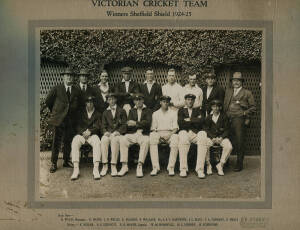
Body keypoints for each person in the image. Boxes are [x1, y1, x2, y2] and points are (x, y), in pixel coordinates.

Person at [45, 67, 81, 173]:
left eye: (71, 75)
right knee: (56, 141)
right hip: (59, 120)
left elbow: (79, 105)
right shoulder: (57, 88)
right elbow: (48, 101)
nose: (69, 77)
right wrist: (57, 112)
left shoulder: (76, 90)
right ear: (63, 77)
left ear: (73, 78)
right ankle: (54, 163)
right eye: (67, 75)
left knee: (68, 140)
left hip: (70, 120)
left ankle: (66, 160)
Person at [223, 72, 256, 171]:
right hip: (228, 119)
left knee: (239, 142)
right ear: (232, 82)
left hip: (239, 120)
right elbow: (225, 104)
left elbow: (253, 108)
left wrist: (244, 114)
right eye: (234, 80)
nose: (236, 82)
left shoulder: (247, 93)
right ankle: (225, 161)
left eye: (238, 80)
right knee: (227, 140)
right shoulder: (228, 91)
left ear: (241, 82)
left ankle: (239, 164)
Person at [119, 93, 152, 177]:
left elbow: (147, 123)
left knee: (146, 141)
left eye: (140, 100)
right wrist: (138, 124)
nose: (138, 102)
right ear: (134, 101)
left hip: (143, 134)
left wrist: (136, 123)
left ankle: (140, 165)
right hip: (133, 133)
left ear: (143, 100)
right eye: (136, 100)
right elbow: (129, 123)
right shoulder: (131, 110)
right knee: (123, 139)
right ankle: (124, 165)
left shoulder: (148, 110)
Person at [70, 95, 102, 180]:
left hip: (92, 134)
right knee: (75, 141)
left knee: (97, 142)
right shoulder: (81, 113)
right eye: (88, 102)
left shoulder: (98, 114)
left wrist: (90, 131)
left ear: (93, 103)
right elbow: (77, 125)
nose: (90, 104)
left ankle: (96, 169)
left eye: (91, 102)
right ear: (85, 103)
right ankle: (76, 169)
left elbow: (99, 126)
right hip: (82, 134)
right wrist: (83, 132)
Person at [198, 100, 232, 176]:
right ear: (211, 107)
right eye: (213, 106)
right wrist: (212, 137)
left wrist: (221, 137)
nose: (215, 108)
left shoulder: (224, 116)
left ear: (220, 107)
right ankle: (208, 164)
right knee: (205, 145)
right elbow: (206, 129)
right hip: (211, 138)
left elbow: (227, 130)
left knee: (229, 146)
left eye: (217, 107)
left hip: (221, 138)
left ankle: (220, 165)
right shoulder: (208, 117)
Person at [149, 95, 179, 176]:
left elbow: (175, 128)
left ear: (169, 103)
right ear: (160, 102)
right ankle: (155, 167)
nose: (165, 103)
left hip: (170, 133)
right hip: (158, 134)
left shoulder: (173, 113)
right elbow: (153, 128)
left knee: (176, 139)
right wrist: (159, 136)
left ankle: (171, 167)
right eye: (164, 101)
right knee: (152, 137)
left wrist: (169, 135)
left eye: (167, 102)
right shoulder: (155, 113)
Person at [177, 94, 205, 177]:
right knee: (183, 138)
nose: (190, 101)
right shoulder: (181, 110)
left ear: (194, 101)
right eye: (188, 99)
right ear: (185, 101)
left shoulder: (198, 110)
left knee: (203, 135)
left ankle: (200, 169)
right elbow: (181, 123)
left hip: (195, 133)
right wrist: (195, 120)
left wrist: (190, 120)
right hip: (185, 132)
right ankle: (183, 169)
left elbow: (201, 121)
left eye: (192, 100)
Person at [100, 93, 127, 177]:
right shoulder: (105, 112)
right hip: (109, 134)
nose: (111, 101)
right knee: (104, 140)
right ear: (107, 101)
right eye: (109, 99)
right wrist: (105, 132)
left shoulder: (122, 110)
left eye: (113, 99)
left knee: (115, 140)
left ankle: (113, 165)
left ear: (116, 100)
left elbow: (124, 125)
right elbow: (103, 126)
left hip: (117, 134)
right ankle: (104, 165)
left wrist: (118, 131)